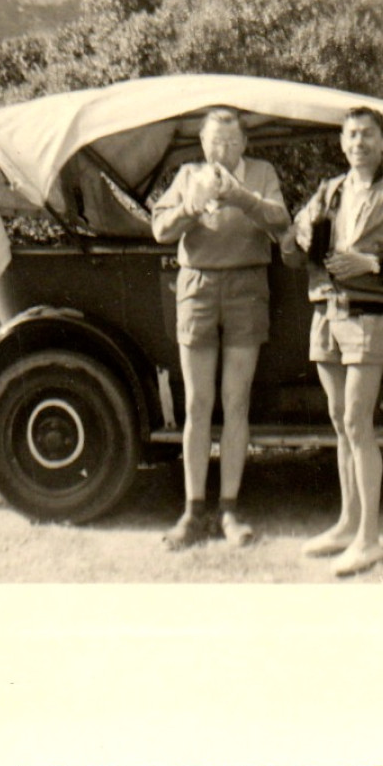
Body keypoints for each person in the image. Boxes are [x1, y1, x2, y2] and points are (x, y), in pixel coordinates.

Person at [282, 107, 383, 576]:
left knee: (356, 420)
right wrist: (301, 233)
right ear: (342, 142)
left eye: (367, 135)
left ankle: (370, 540)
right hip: (328, 313)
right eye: (350, 135)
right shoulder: (329, 191)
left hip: (372, 315)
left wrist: (374, 264)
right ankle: (348, 524)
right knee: (338, 420)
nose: (358, 143)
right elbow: (292, 252)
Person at [151, 108, 290, 549]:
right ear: (203, 144)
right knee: (197, 402)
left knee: (236, 401)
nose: (223, 151)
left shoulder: (262, 172)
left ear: (244, 144)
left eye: (231, 143)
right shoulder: (188, 173)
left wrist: (241, 196)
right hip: (197, 286)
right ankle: (192, 512)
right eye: (215, 142)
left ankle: (229, 509)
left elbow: (281, 221)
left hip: (248, 285)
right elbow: (160, 229)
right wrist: (192, 204)